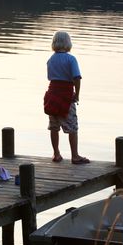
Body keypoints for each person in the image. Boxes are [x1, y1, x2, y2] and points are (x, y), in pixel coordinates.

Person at [44, 31, 90, 164]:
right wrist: (77, 94)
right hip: (66, 95)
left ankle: (56, 153)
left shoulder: (50, 59)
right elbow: (76, 78)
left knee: (54, 126)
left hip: (52, 94)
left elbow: (50, 77)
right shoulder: (71, 59)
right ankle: (75, 156)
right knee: (72, 127)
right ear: (68, 43)